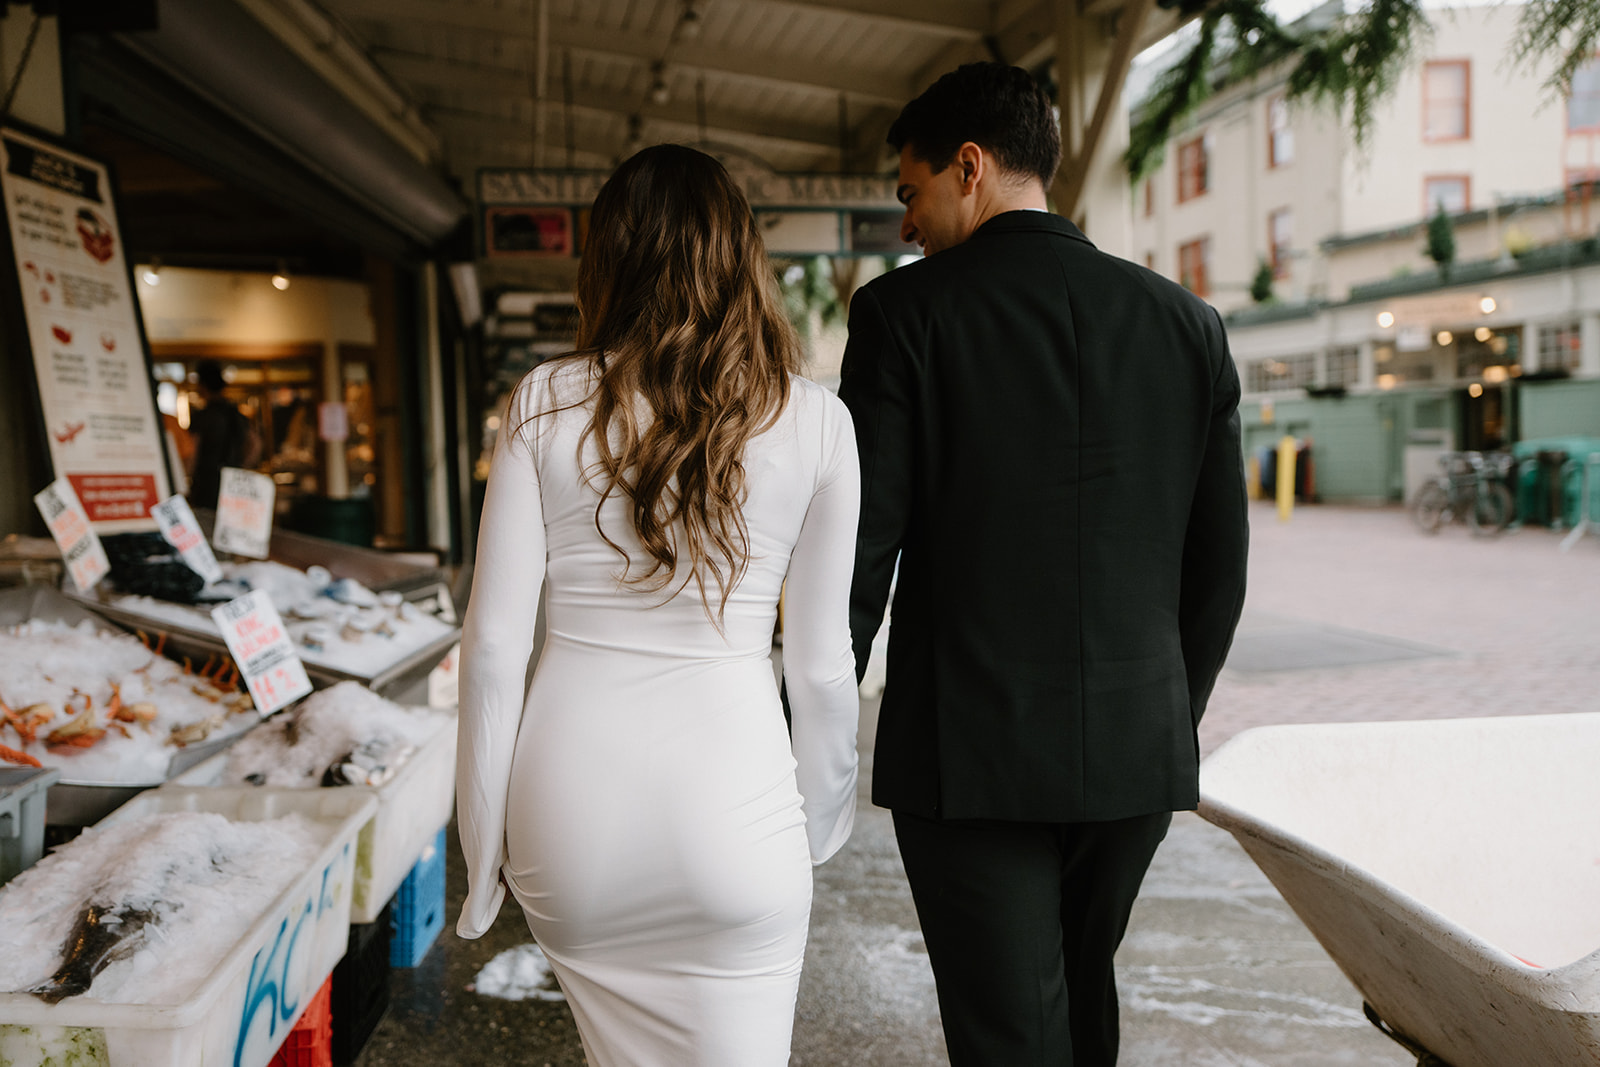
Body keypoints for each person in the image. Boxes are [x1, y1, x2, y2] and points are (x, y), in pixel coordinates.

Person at [838, 63, 1249, 1066]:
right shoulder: (1188, 324)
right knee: (1079, 990)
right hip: (1134, 751)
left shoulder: (904, 316)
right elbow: (1218, 567)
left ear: (968, 167)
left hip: (967, 756)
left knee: (1008, 1024)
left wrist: (803, 727)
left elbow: (860, 554)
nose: (906, 224)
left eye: (911, 192)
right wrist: (1160, 715)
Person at [455, 144, 861, 1066]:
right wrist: (818, 821)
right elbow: (823, 668)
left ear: (609, 260)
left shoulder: (542, 404)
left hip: (571, 821)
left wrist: (482, 860)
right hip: (738, 814)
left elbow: (490, 653)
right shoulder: (817, 420)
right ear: (742, 258)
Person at [184, 360, 258, 509]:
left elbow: (193, 452)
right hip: (234, 482)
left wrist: (187, 479)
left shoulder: (202, 417)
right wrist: (241, 467)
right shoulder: (237, 414)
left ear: (203, 385)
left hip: (207, 484)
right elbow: (255, 444)